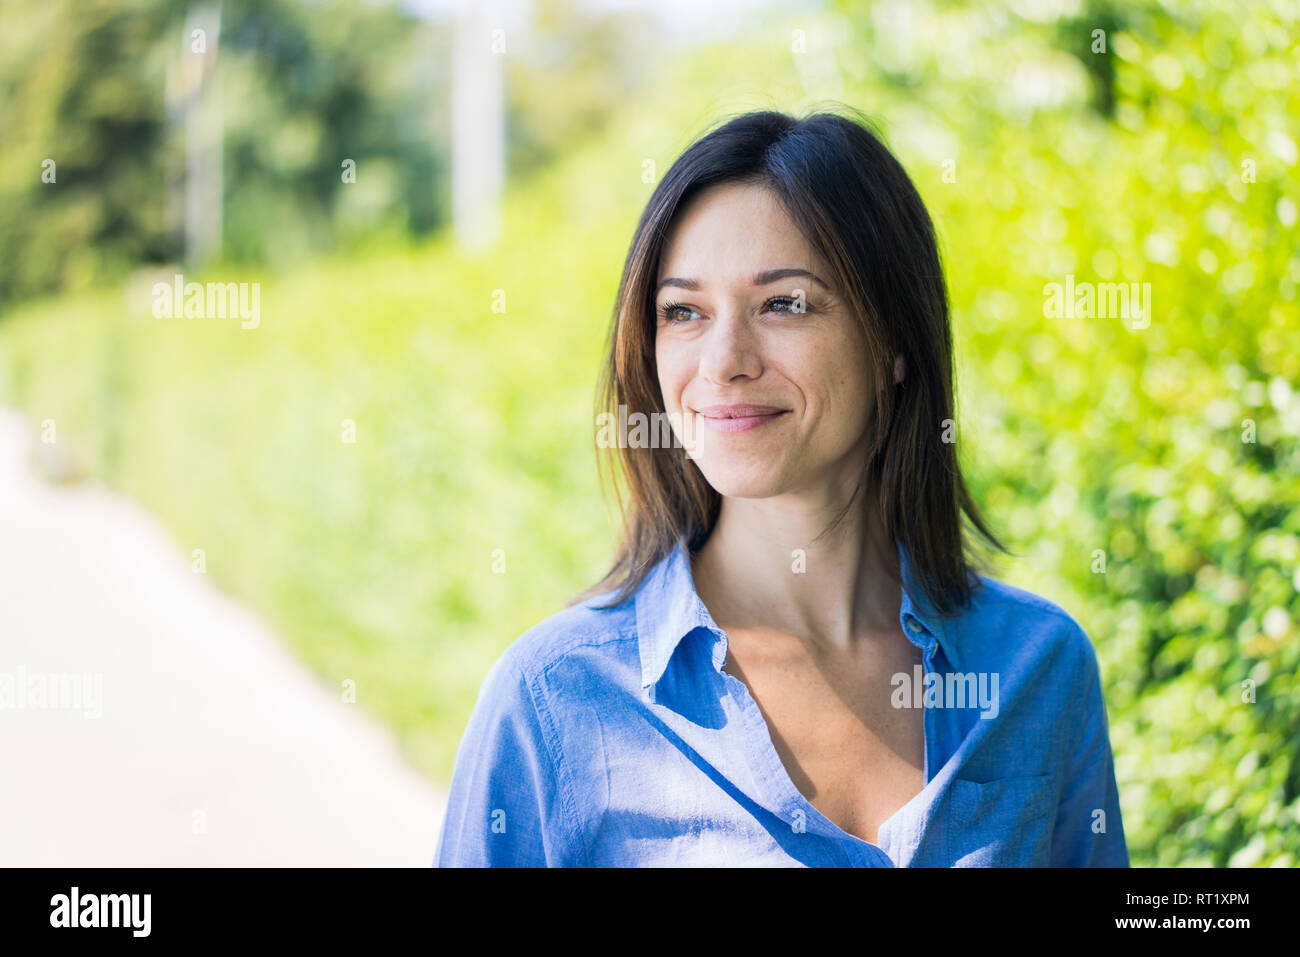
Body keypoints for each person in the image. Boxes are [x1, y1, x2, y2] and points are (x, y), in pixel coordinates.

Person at [434, 108, 1128, 867]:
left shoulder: (1040, 668)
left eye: (784, 303)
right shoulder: (553, 700)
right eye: (684, 311)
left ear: (894, 341)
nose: (725, 359)